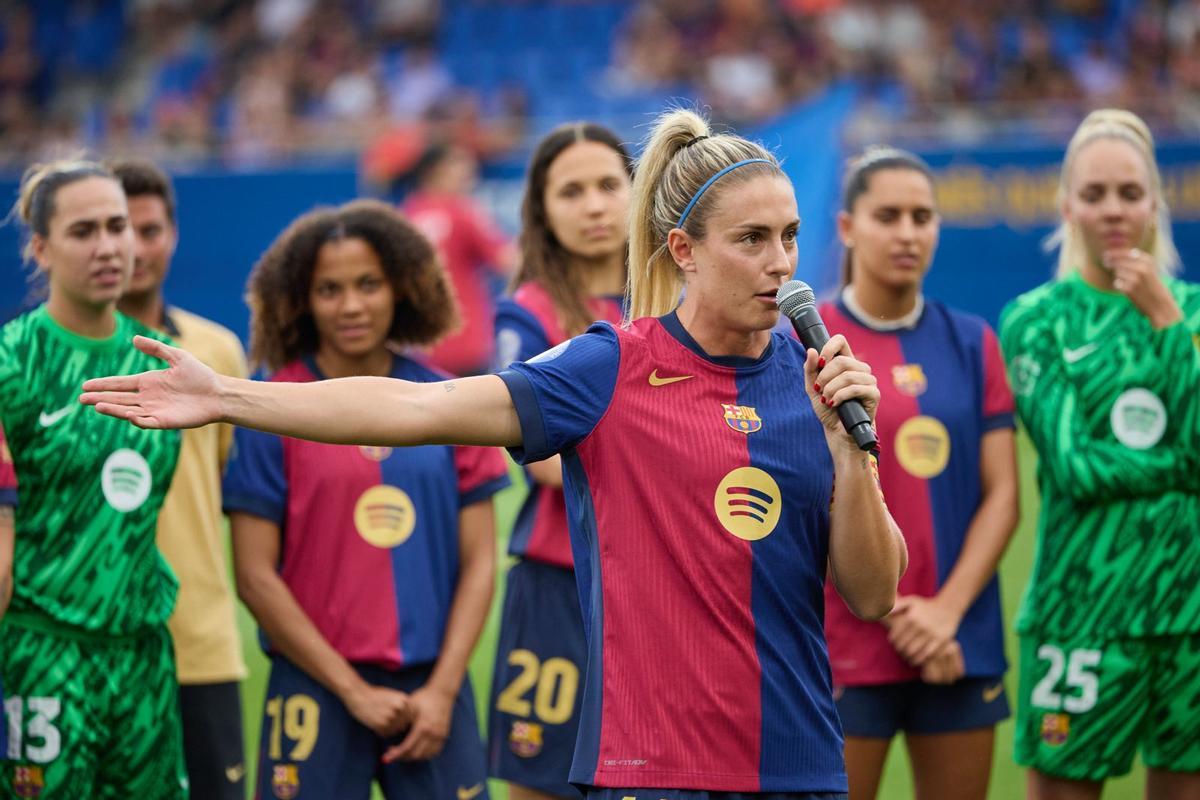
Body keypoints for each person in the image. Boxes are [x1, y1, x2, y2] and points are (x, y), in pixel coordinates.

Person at [81, 109, 908, 797]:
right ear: (684, 249)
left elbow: (872, 595)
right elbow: (416, 404)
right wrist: (230, 396)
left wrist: (848, 452)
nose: (782, 263)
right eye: (753, 238)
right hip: (651, 770)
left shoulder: (818, 382)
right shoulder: (611, 366)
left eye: (790, 236)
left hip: (802, 763)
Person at [221, 199, 510, 799]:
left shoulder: (452, 400)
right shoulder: (271, 408)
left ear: (401, 288)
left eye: (368, 284)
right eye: (329, 289)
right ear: (301, 299)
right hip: (315, 689)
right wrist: (351, 691)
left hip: (433, 692)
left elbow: (482, 561)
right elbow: (254, 575)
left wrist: (442, 690)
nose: (351, 305)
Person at [999, 109, 1200, 800]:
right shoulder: (1037, 319)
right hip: (1080, 612)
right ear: (1066, 206)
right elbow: (1072, 467)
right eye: (1094, 194)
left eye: (1129, 193)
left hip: (1188, 614)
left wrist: (1169, 325)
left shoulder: (1194, 314)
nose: (1113, 210)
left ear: (1155, 202)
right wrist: (1181, 468)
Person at [817, 148, 1018, 800]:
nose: (908, 232)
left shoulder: (972, 341)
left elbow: (1005, 494)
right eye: (889, 215)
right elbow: (799, 497)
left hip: (956, 643)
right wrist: (895, 607)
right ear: (848, 227)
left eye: (922, 216)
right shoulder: (807, 342)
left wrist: (944, 612)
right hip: (840, 642)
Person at [0, 160, 185, 798]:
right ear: (41, 249)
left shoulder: (160, 358)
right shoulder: (11, 361)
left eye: (119, 227)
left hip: (142, 660)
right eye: (84, 232)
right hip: (41, 655)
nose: (109, 246)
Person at [487, 122, 632, 800]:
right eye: (571, 191)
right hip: (557, 584)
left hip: (663, 581)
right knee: (541, 781)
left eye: (609, 185)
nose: (596, 205)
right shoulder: (530, 310)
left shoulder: (682, 300)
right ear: (542, 210)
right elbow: (538, 456)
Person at [110, 158, 250, 800]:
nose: (136, 249)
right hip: (89, 640)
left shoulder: (217, 351)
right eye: (119, 230)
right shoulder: (39, 353)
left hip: (198, 638)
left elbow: (225, 486)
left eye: (150, 229)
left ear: (174, 233)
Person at [402, 141, 517, 376]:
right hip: (466, 342)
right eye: (459, 161)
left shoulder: (408, 213)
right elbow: (510, 262)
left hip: (420, 346)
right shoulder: (463, 212)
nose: (469, 168)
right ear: (435, 171)